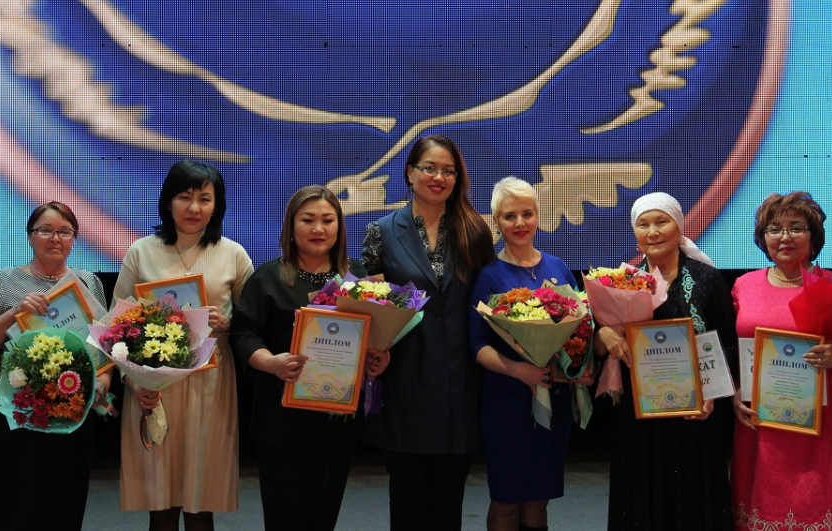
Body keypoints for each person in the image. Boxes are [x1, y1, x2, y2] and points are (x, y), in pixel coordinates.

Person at [230, 185, 391, 531]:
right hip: (282, 421)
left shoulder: (358, 278)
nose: (318, 229)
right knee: (284, 518)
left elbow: (375, 337)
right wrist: (270, 362)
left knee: (324, 516)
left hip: (337, 422)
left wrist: (379, 358)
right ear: (291, 226)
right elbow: (243, 335)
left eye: (327, 220)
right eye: (308, 220)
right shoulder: (269, 277)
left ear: (339, 227)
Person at [362, 134, 496, 531]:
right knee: (406, 501)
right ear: (410, 173)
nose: (439, 177)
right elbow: (372, 306)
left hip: (459, 385)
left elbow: (485, 303)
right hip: (406, 382)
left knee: (448, 504)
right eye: (430, 168)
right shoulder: (381, 232)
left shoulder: (475, 230)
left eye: (448, 171)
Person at [113, 160, 254, 531]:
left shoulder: (234, 254)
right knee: (159, 504)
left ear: (217, 205)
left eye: (205, 199)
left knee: (200, 503)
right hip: (153, 386)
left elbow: (253, 324)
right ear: (168, 201)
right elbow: (114, 326)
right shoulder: (141, 251)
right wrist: (134, 382)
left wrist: (229, 323)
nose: (194, 208)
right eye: (184, 197)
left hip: (211, 385)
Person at [730, 191, 832, 530]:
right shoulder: (744, 286)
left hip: (828, 423)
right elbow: (734, 351)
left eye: (796, 227)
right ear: (763, 238)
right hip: (763, 425)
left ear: (814, 238)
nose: (784, 237)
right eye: (774, 229)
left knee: (821, 507)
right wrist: (736, 392)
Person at [594, 192, 737, 530]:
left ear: (680, 227)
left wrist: (712, 394)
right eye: (643, 224)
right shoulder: (620, 283)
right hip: (639, 414)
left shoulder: (706, 280)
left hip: (695, 413)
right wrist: (604, 334)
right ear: (635, 234)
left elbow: (727, 344)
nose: (653, 231)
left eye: (662, 222)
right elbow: (598, 347)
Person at [0, 201, 110, 531]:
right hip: (17, 416)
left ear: (74, 239)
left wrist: (105, 380)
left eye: (64, 231)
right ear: (30, 237)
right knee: (18, 513)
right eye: (45, 230)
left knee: (66, 512)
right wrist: (14, 312)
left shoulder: (87, 281)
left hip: (73, 414)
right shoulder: (3, 281)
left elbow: (104, 346)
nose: (55, 238)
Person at [467, 177, 581, 531]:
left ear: (538, 216)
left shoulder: (558, 267)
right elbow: (478, 346)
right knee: (507, 498)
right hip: (507, 401)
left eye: (527, 214)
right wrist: (519, 370)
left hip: (553, 397)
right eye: (509, 216)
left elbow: (580, 332)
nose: (519, 223)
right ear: (496, 222)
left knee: (538, 498)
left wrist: (577, 366)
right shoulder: (488, 275)